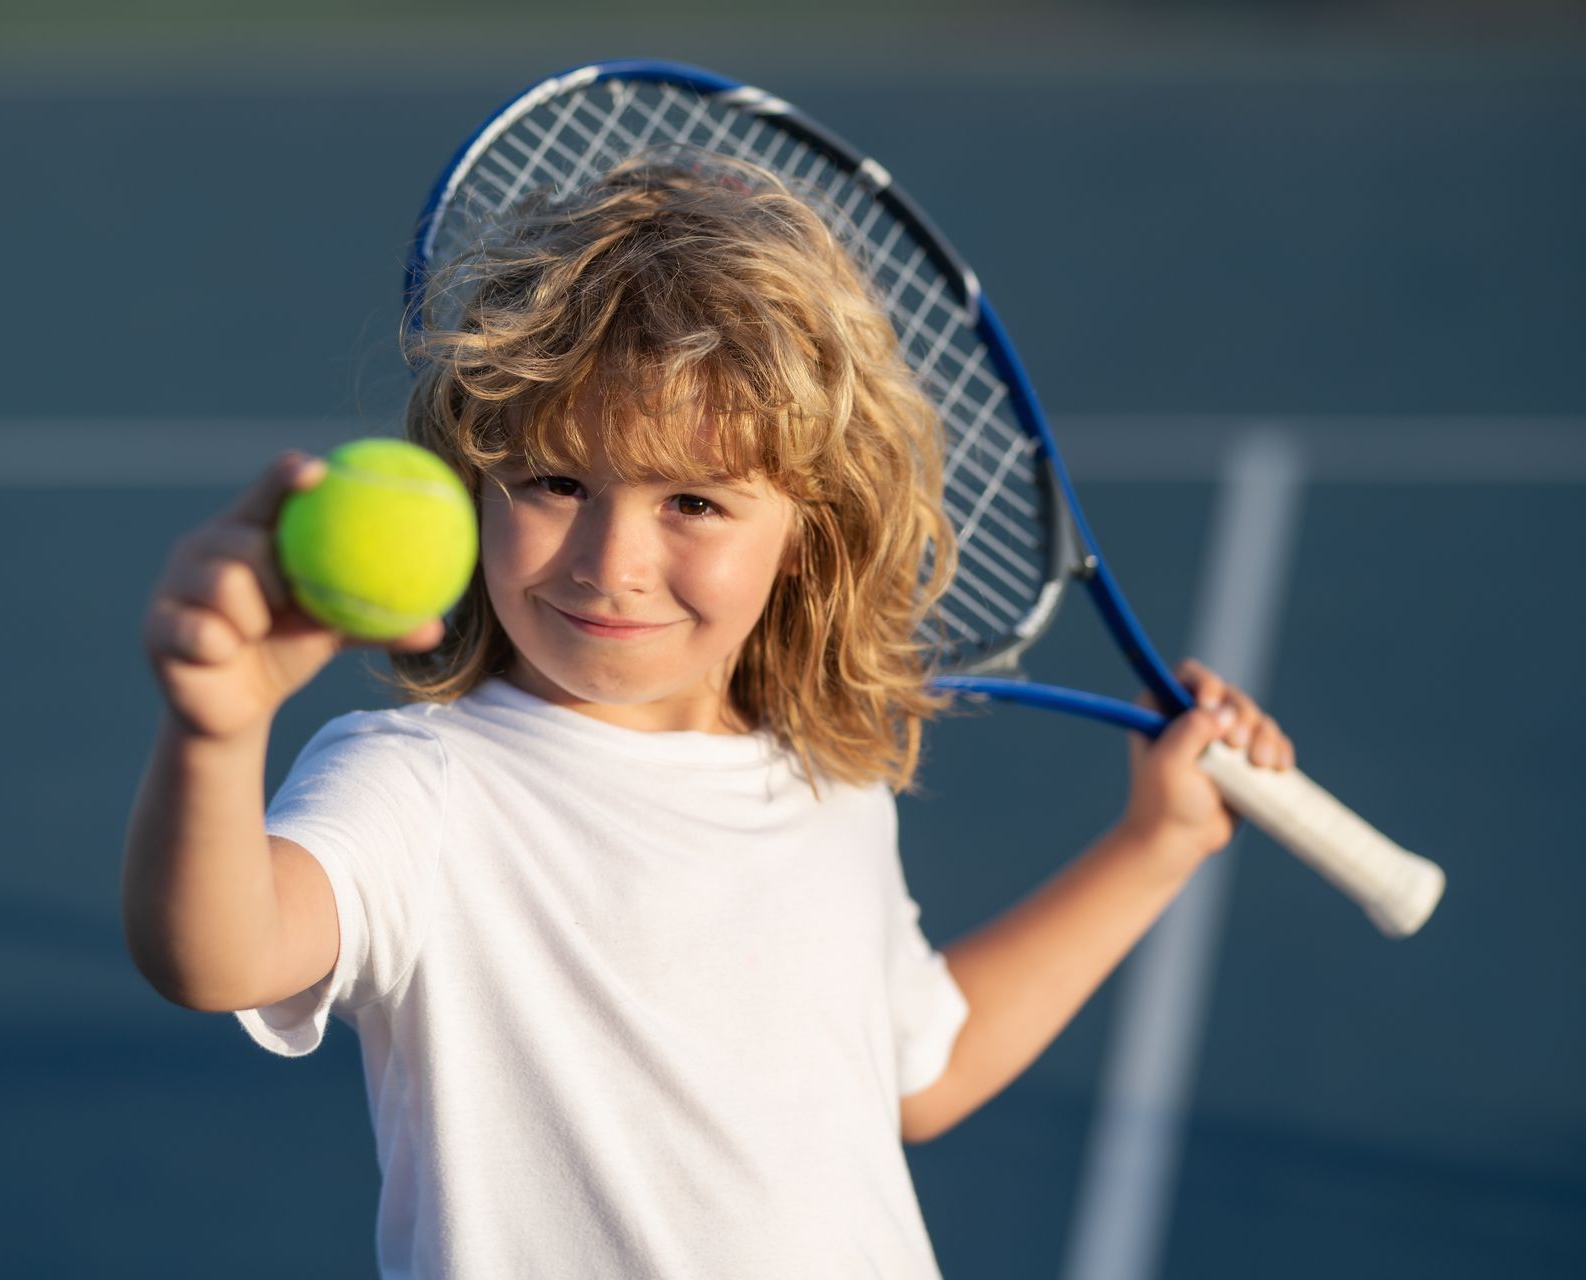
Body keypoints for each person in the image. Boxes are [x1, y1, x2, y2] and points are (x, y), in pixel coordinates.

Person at [121, 156, 1295, 1278]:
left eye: (693, 500)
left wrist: (1158, 843)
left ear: (809, 531)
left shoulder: (826, 784)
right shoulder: (421, 783)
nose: (610, 562)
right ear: (475, 477)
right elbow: (221, 953)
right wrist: (217, 733)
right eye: (554, 481)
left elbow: (916, 1070)